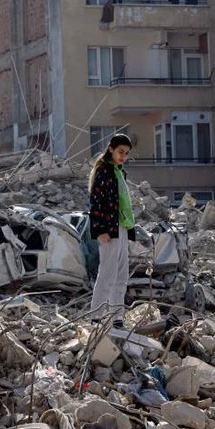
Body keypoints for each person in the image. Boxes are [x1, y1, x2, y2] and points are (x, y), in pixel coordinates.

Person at [88, 133, 135, 329]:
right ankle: (96, 317)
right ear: (111, 150)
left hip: (122, 227)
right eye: (120, 152)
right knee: (107, 272)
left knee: (121, 274)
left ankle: (117, 318)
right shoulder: (104, 172)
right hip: (109, 228)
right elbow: (96, 203)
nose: (123, 156)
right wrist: (100, 229)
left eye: (126, 153)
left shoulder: (119, 172)